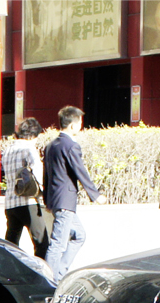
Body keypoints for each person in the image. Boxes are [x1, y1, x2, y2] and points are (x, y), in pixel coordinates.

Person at [42, 106, 101, 281]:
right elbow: (80, 171)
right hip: (66, 200)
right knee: (58, 244)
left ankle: (59, 273)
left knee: (79, 235)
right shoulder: (71, 146)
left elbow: (47, 174)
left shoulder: (51, 146)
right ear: (73, 125)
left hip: (55, 199)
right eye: (80, 123)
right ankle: (49, 280)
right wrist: (96, 195)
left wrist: (47, 200)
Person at [0, 117, 49, 257]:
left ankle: (8, 271)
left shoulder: (8, 150)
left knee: (11, 244)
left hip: (10, 202)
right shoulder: (28, 148)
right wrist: (44, 191)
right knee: (41, 242)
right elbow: (38, 172)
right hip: (28, 202)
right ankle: (40, 272)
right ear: (33, 135)